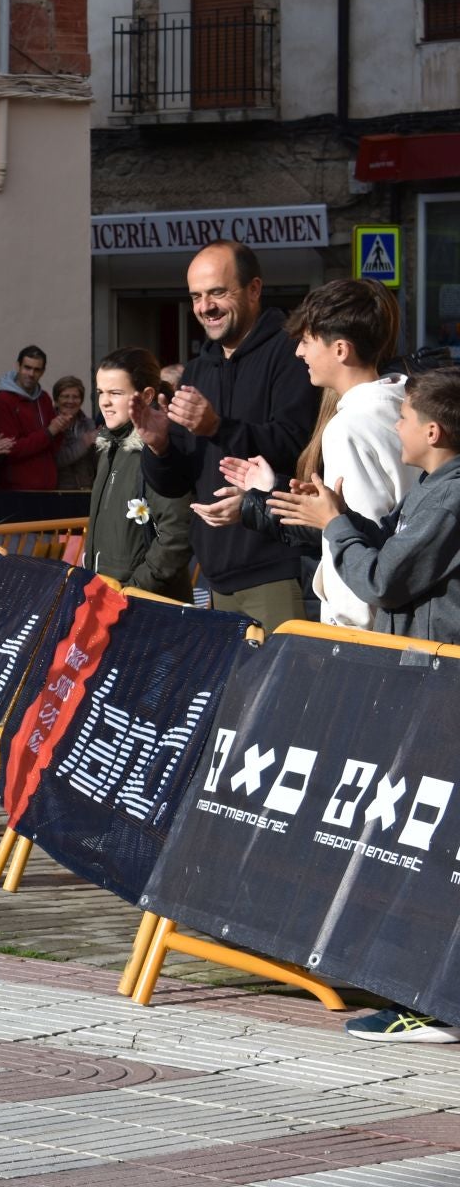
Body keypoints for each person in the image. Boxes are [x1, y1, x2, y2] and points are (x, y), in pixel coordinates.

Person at [269, 366, 460, 1044]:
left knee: (433, 852)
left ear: (432, 432)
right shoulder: (437, 488)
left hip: (441, 690)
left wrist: (337, 528)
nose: (396, 426)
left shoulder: (449, 494)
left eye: (404, 418)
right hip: (433, 683)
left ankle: (434, 1004)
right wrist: (338, 520)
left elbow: (384, 579)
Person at [136, 241, 321, 631]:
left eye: (218, 292)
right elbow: (177, 483)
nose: (205, 307)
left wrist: (218, 428)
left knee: (281, 691)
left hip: (276, 568)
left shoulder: (293, 353)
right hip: (214, 576)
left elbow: (296, 447)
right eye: (196, 296)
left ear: (254, 289)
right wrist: (158, 446)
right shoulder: (200, 368)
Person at [224, 279, 412, 630]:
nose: (299, 353)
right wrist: (275, 488)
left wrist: (348, 631)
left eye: (307, 342)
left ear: (340, 350)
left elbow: (357, 545)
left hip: (369, 635)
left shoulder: (348, 427)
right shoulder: (404, 405)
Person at [81, 349, 191, 599]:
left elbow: (176, 534)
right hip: (105, 598)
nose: (104, 401)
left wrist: (134, 590)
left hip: (146, 607)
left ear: (147, 395)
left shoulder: (159, 449)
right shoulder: (110, 447)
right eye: (100, 392)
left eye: (115, 393)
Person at [0, 345, 72, 491]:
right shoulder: (1, 401)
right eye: (27, 367)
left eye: (37, 370)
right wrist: (50, 432)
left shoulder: (43, 398)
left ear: (43, 372)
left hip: (47, 487)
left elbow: (53, 447)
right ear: (18, 366)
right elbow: (11, 449)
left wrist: (60, 428)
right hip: (16, 490)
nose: (31, 374)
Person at [51, 375, 98, 490]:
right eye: (65, 396)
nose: (70, 401)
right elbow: (56, 460)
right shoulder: (50, 424)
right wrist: (84, 442)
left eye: (75, 397)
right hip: (59, 491)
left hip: (86, 489)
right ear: (56, 400)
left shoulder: (89, 424)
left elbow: (95, 462)